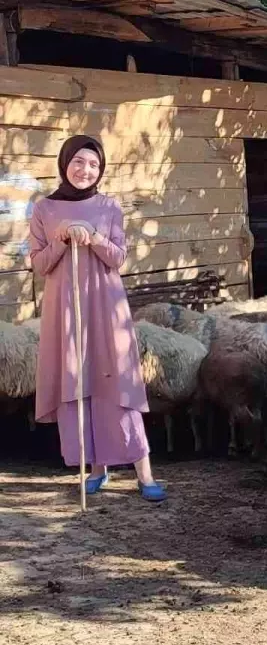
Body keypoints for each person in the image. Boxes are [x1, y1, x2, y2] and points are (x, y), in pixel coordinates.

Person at [27, 135, 166, 502]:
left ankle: (144, 472)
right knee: (79, 380)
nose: (85, 170)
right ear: (64, 163)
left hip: (105, 307)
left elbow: (119, 258)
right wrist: (60, 239)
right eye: (78, 161)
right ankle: (96, 468)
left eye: (94, 164)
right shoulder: (44, 209)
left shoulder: (109, 207)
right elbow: (39, 265)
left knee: (117, 381)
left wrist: (92, 238)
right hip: (65, 310)